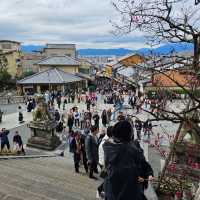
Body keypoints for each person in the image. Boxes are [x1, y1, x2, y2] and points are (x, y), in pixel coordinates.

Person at [103, 120, 154, 200]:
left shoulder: (108, 146)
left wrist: (149, 172)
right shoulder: (132, 150)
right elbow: (142, 164)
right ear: (129, 135)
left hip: (111, 191)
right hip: (127, 192)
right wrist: (149, 173)